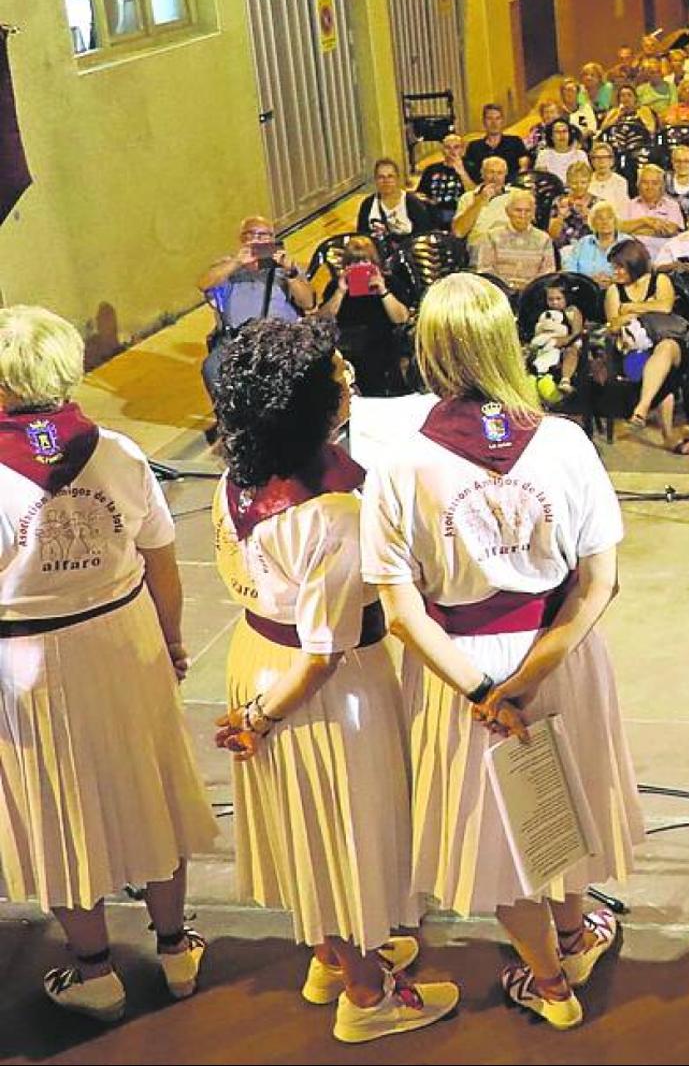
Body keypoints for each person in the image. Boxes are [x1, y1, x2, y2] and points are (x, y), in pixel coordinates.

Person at [361, 275, 643, 1031]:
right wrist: (534, 673)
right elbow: (599, 578)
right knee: (563, 795)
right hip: (559, 651)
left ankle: (550, 979)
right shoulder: (564, 441)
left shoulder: (398, 463)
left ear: (427, 349)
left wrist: (485, 689)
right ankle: (577, 932)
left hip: (462, 662)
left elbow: (400, 608)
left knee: (500, 832)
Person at [207, 317, 456, 1042]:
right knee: (345, 823)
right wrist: (261, 720)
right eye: (337, 376)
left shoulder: (236, 475)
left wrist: (255, 709)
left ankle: (331, 949)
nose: (348, 380)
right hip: (324, 686)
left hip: (257, 657)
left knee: (308, 825)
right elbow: (323, 647)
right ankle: (368, 993)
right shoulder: (337, 508)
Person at [0, 306, 219, 1022]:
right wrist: (174, 639)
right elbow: (163, 564)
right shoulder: (120, 452)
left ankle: (94, 971)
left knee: (59, 807)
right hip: (126, 638)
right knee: (148, 786)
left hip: (30, 655)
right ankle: (177, 946)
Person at [198, 215, 318, 398]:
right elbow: (204, 283)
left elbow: (308, 303)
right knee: (212, 368)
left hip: (280, 337)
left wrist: (291, 273)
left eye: (264, 235)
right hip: (238, 338)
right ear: (242, 239)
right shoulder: (229, 268)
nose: (257, 239)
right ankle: (230, 417)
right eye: (251, 234)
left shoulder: (284, 269)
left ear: (272, 239)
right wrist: (237, 263)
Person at [603, 242, 689, 451]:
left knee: (667, 347)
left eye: (620, 267)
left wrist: (630, 309)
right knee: (662, 372)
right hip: (635, 351)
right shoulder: (614, 291)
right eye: (614, 267)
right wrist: (647, 307)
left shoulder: (660, 280)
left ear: (634, 264)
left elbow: (665, 307)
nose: (616, 272)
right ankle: (668, 436)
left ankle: (642, 408)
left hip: (669, 342)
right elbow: (614, 324)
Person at [319, 234, 412, 396]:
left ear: (374, 264)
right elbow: (323, 319)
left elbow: (401, 318)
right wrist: (340, 292)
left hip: (383, 349)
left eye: (365, 262)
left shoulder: (390, 283)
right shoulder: (336, 286)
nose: (360, 267)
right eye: (354, 262)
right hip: (349, 349)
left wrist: (383, 291)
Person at [471, 190, 557, 286]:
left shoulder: (544, 239)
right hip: (500, 291)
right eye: (518, 210)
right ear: (507, 211)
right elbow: (485, 269)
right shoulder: (491, 236)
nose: (523, 215)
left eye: (527, 211)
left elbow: (548, 272)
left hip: (532, 293)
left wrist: (530, 287)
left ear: (533, 213)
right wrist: (508, 286)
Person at [355, 157, 443, 240]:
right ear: (376, 180)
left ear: (397, 178)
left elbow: (423, 234)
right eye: (381, 177)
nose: (386, 181)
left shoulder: (412, 203)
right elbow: (362, 235)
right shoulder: (367, 204)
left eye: (390, 176)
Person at [452, 155, 516, 242]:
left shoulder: (516, 195)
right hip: (481, 244)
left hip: (510, 244)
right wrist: (480, 200)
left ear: (505, 175)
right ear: (482, 174)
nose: (495, 177)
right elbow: (458, 232)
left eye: (500, 173)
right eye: (491, 172)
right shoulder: (467, 197)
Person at [465, 102, 529, 181]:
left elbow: (524, 163)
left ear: (502, 121)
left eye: (497, 118)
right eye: (489, 118)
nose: (494, 123)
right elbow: (469, 173)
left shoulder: (515, 142)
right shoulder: (474, 147)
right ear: (484, 121)